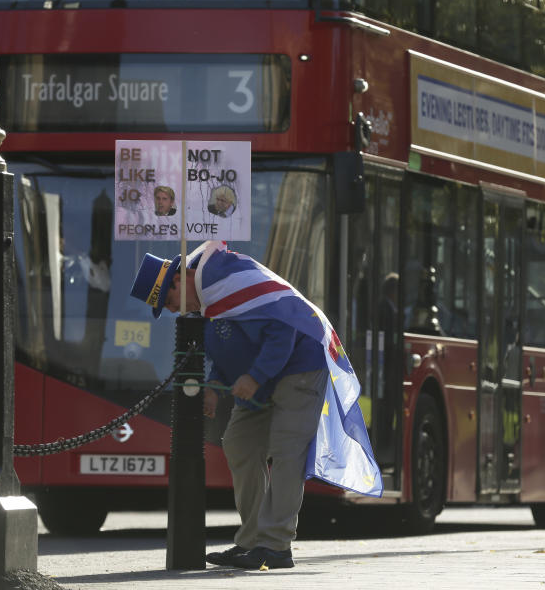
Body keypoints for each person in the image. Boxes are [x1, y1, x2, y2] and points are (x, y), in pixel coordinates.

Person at [130, 241, 381, 569]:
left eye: (170, 300)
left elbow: (284, 327)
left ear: (177, 280)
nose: (175, 310)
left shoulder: (227, 281)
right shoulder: (207, 302)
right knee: (239, 443)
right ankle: (252, 542)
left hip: (300, 366)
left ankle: (276, 546)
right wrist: (216, 387)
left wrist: (255, 376)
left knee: (286, 450)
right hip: (260, 378)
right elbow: (226, 348)